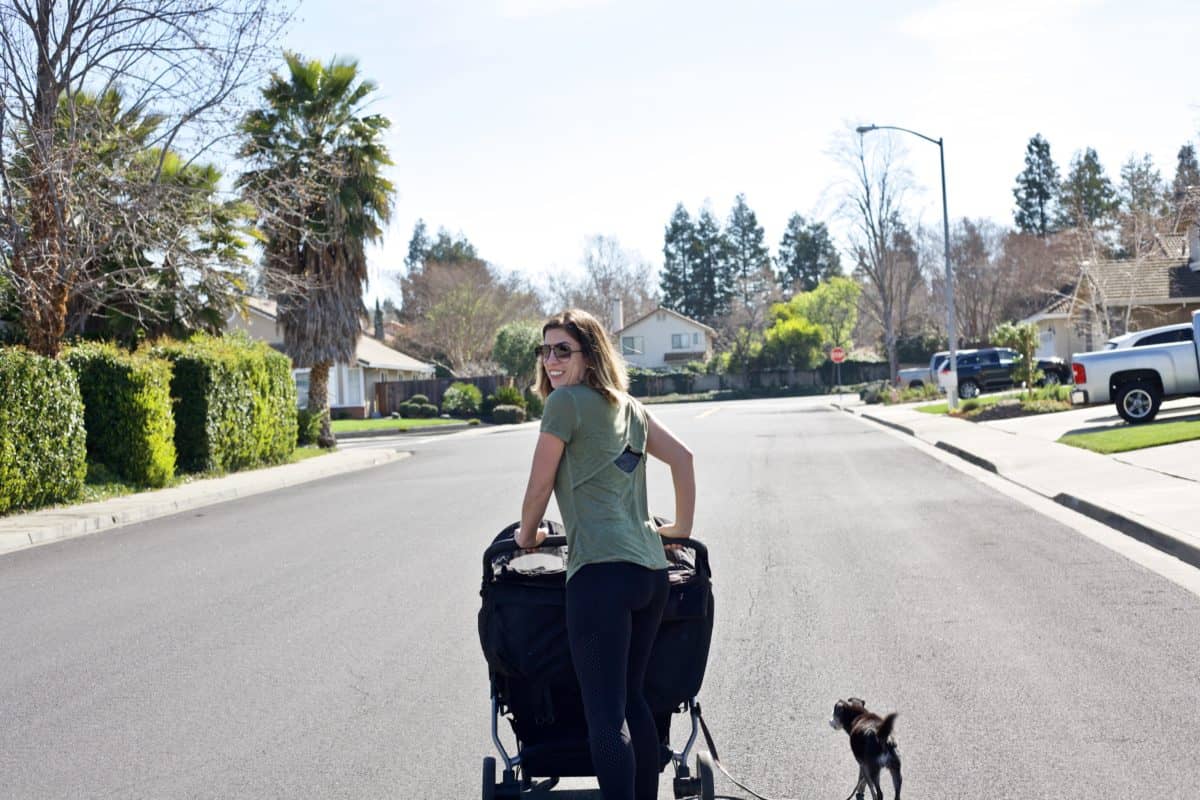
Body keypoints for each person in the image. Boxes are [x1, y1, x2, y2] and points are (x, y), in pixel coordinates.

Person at [515, 308, 696, 800]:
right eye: (545, 350)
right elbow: (683, 458)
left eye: (562, 350)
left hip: (600, 575)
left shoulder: (565, 404)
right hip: (650, 575)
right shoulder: (629, 406)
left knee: (605, 714)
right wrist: (680, 529)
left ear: (589, 354)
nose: (551, 360)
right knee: (633, 699)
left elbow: (539, 486)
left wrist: (526, 535)